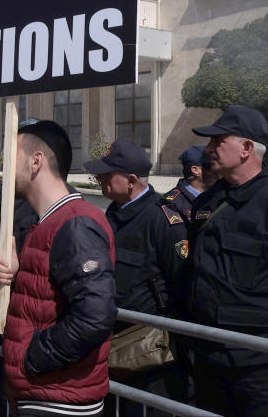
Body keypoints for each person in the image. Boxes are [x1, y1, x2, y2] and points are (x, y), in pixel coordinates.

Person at [186, 104, 268, 417]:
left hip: (263, 367)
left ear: (246, 148)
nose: (208, 149)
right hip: (209, 356)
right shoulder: (207, 202)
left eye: (217, 141)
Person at [0, 120, 117, 416]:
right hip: (42, 393)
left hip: (58, 402)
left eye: (10, 158)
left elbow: (95, 317)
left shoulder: (75, 223)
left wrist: (30, 358)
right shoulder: (48, 222)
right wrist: (15, 273)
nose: (3, 170)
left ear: (36, 162)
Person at [83, 140, 190, 416]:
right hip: (114, 341)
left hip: (149, 350)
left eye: (107, 175)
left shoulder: (161, 218)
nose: (100, 179)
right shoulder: (114, 212)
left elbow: (182, 283)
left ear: (131, 180)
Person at [163, 145, 217, 222]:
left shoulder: (220, 195)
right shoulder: (171, 204)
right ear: (195, 170)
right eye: (212, 166)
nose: (218, 170)